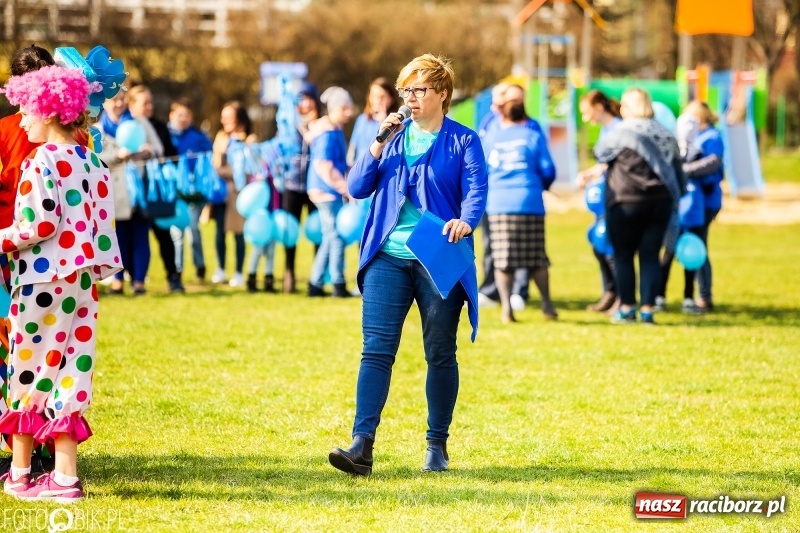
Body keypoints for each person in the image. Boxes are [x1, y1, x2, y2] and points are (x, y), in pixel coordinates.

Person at [328, 54, 487, 475]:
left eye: (418, 90)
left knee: (439, 353)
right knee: (376, 351)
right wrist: (378, 142)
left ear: (442, 94)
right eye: (406, 90)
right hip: (388, 257)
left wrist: (466, 221)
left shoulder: (465, 140)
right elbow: (358, 187)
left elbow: (476, 192)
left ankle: (437, 446)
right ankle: (361, 446)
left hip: (438, 258)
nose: (410, 98)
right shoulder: (393, 138)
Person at [0, 64, 122, 501]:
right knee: (70, 369)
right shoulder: (93, 160)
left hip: (41, 280)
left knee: (28, 368)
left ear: (50, 112)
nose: (23, 120)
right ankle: (65, 478)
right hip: (82, 283)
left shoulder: (40, 160)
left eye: (28, 111)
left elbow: (39, 223)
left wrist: (3, 239)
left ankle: (19, 473)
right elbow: (104, 230)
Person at [0, 44, 56, 478]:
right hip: (10, 258)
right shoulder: (5, 132)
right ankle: (22, 445)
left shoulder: (70, 139)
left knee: (37, 354)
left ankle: (43, 443)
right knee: (18, 353)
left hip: (43, 263)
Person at [593, 88, 685, 325]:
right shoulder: (665, 133)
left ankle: (626, 307)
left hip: (625, 202)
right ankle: (647, 309)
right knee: (651, 256)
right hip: (660, 203)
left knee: (623, 256)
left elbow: (600, 153)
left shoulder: (621, 131)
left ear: (628, 107)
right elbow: (677, 170)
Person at [482, 83, 557, 323]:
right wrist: (539, 186)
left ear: (503, 113)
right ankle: (547, 305)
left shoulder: (492, 138)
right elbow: (548, 169)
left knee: (503, 259)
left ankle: (506, 309)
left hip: (499, 203)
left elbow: (482, 169)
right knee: (536, 257)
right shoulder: (533, 135)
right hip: (529, 202)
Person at [657, 100, 723, 314]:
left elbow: (712, 162)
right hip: (687, 204)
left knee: (697, 247)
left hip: (703, 204)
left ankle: (703, 296)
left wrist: (683, 169)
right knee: (672, 248)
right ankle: (664, 294)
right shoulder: (687, 140)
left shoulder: (712, 137)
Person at [576, 90, 622, 313]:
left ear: (598, 107)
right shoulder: (606, 130)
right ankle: (610, 293)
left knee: (612, 247)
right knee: (599, 245)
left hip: (618, 196)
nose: (586, 118)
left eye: (586, 112)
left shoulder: (619, 128)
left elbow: (615, 162)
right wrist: (590, 174)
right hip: (604, 196)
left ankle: (622, 297)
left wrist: (592, 174)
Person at [306, 86, 355, 298]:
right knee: (336, 237)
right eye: (344, 108)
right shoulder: (326, 133)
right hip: (325, 191)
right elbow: (323, 164)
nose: (349, 113)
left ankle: (315, 284)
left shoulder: (334, 129)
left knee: (329, 237)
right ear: (334, 108)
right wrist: (344, 188)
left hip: (328, 190)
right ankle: (338, 282)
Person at [281, 82, 321, 294]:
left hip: (315, 186)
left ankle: (317, 277)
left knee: (317, 231)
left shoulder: (322, 125)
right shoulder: (289, 125)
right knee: (290, 232)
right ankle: (289, 273)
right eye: (300, 100)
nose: (304, 104)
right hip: (292, 185)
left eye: (308, 99)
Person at [168, 98, 213, 283]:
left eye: (187, 115)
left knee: (193, 229)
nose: (183, 118)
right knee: (176, 232)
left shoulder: (198, 137)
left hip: (195, 192)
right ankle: (177, 269)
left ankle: (200, 265)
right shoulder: (167, 135)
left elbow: (210, 159)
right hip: (174, 191)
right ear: (172, 115)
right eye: (180, 115)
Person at [211, 101, 256, 288]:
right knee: (219, 232)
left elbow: (248, 168)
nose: (224, 120)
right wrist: (225, 169)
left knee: (239, 233)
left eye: (228, 116)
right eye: (223, 116)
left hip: (239, 194)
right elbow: (215, 165)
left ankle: (238, 272)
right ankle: (220, 268)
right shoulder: (221, 137)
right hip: (220, 194)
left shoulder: (250, 140)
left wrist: (225, 170)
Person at [347, 77, 400, 166]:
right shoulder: (362, 119)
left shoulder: (397, 123)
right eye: (374, 96)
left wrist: (384, 123)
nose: (377, 101)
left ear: (391, 99)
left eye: (382, 97)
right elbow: (353, 147)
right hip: (361, 168)